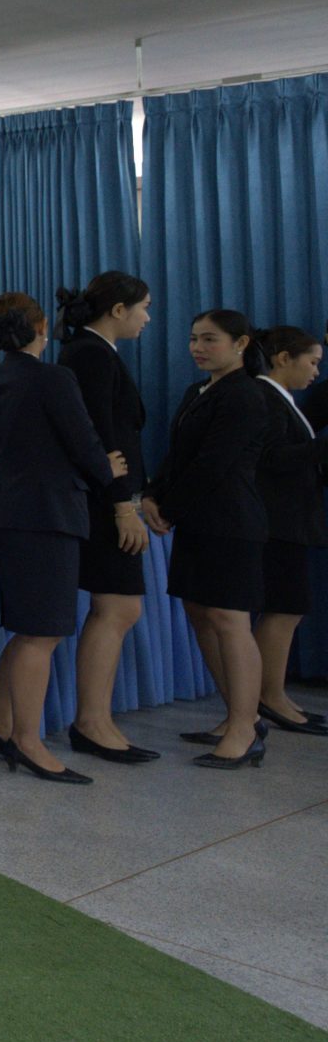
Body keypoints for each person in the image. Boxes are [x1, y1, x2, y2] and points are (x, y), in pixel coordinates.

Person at [0, 292, 119, 785]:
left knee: (29, 629)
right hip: (47, 514)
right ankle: (28, 742)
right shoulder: (54, 378)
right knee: (43, 633)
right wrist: (109, 474)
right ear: (40, 329)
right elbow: (84, 442)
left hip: (5, 512)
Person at [140, 310, 273, 770]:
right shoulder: (198, 391)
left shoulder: (246, 394)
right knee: (201, 613)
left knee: (230, 619)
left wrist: (169, 508)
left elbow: (214, 463)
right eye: (194, 338)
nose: (198, 347)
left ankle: (245, 727)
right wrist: (152, 494)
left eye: (210, 339)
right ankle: (237, 714)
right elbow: (179, 455)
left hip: (231, 523)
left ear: (240, 343)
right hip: (198, 521)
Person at [54, 272, 158, 762]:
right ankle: (92, 722)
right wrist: (122, 504)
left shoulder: (95, 352)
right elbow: (99, 436)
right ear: (118, 309)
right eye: (144, 307)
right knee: (117, 607)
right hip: (103, 502)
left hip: (110, 497)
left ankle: (96, 719)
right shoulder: (91, 355)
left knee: (119, 608)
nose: (147, 318)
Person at [251, 325, 328, 737]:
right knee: (283, 608)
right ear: (284, 358)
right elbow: (274, 458)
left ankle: (273, 692)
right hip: (278, 522)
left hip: (291, 520)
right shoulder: (266, 397)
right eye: (312, 362)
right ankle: (269, 695)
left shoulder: (284, 400)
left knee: (288, 608)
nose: (316, 372)